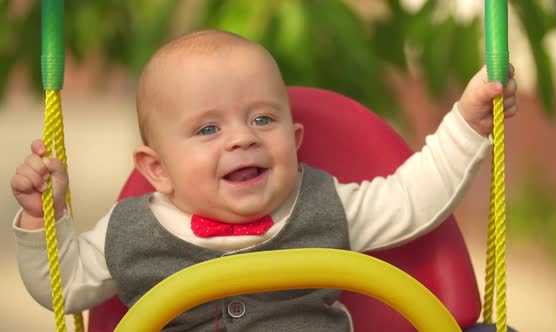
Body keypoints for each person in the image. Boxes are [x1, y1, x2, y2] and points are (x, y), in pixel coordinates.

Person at [11, 30, 518, 331]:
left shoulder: (321, 205)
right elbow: (65, 285)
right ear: (157, 170)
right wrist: (42, 219)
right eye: (209, 128)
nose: (241, 140)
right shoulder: (130, 232)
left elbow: (414, 197)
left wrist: (467, 123)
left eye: (262, 120)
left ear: (294, 140)